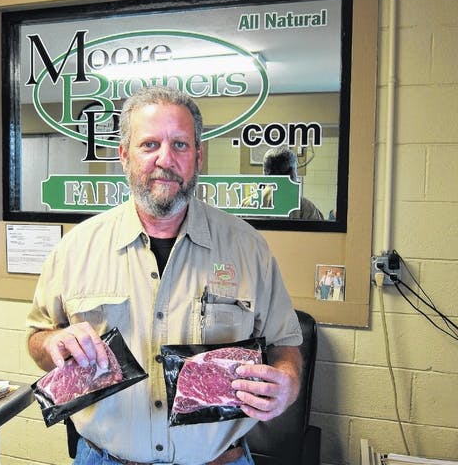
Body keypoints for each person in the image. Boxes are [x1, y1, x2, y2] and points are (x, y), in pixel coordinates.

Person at [27, 85, 303, 465]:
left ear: (198, 156)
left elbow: (285, 345)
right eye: (149, 144)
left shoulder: (248, 249)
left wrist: (287, 383)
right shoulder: (75, 250)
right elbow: (38, 338)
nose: (165, 159)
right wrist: (53, 342)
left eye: (180, 145)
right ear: (124, 155)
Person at [244, 146, 324, 220]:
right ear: (292, 173)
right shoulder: (305, 208)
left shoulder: (247, 204)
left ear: (265, 173)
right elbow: (318, 234)